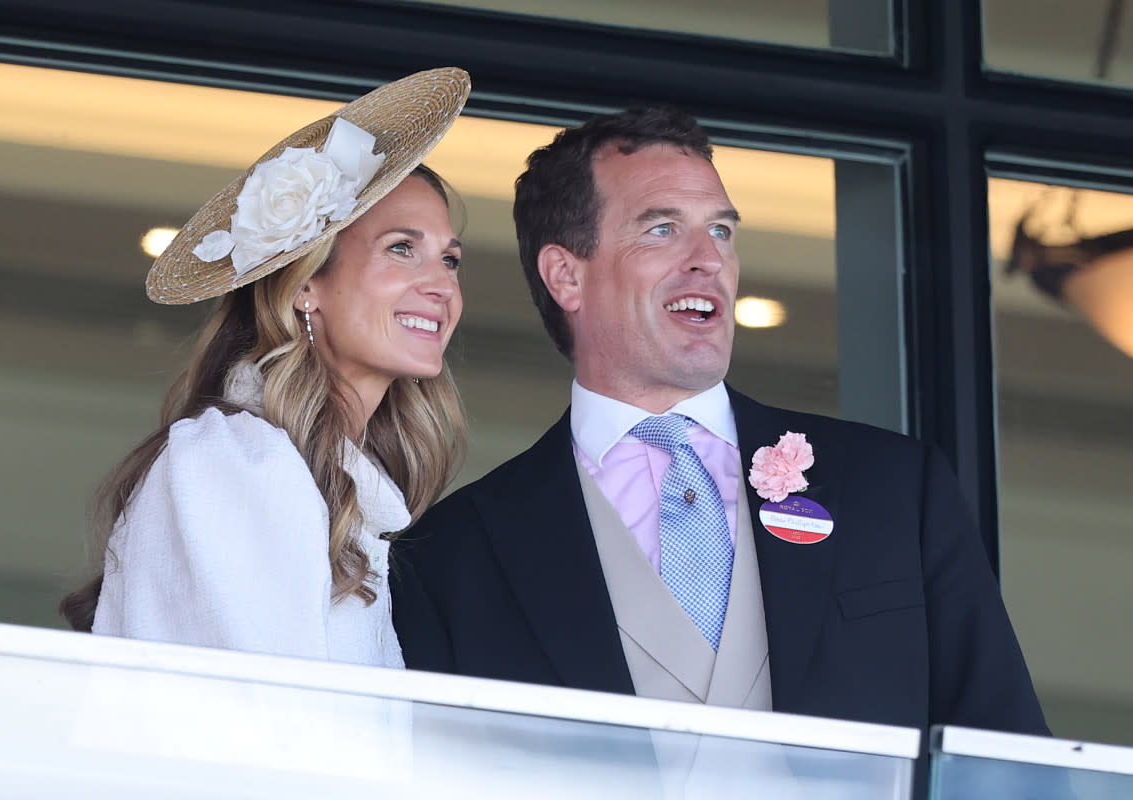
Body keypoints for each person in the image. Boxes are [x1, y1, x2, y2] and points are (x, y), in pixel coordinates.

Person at [391, 106, 1050, 737]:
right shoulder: (455, 555)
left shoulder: (897, 490)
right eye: (662, 229)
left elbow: (1009, 759)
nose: (708, 258)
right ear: (566, 275)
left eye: (722, 230)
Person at [60, 67, 471, 668]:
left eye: (451, 259)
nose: (441, 285)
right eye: (402, 249)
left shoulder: (341, 484)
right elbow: (261, 734)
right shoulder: (231, 460)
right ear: (306, 285)